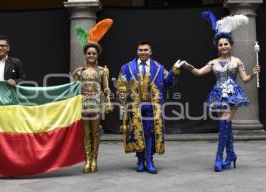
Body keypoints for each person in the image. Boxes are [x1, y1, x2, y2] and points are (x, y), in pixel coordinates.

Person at [184, 11, 261, 172]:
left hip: (233, 94)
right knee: (226, 126)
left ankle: (219, 157)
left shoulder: (237, 61)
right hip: (218, 94)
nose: (223, 46)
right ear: (217, 47)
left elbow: (245, 79)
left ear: (231, 45)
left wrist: (254, 72)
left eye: (226, 44)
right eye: (220, 44)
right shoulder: (213, 62)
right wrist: (187, 65)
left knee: (224, 123)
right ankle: (231, 154)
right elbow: (198, 72)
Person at [116, 41, 184, 174]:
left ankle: (149, 160)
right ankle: (140, 161)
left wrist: (174, 70)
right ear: (137, 51)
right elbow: (121, 85)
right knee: (137, 132)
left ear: (150, 52)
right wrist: (122, 94)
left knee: (149, 132)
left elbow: (168, 83)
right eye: (141, 50)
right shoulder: (127, 67)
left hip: (153, 106)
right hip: (135, 106)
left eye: (146, 50)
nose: (143, 52)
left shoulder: (158, 67)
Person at [72, 18, 113, 173]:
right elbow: (73, 90)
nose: (91, 55)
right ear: (86, 54)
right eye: (89, 53)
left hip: (96, 105)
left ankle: (95, 159)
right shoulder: (78, 72)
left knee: (95, 133)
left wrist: (108, 98)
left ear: (97, 55)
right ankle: (87, 160)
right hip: (82, 106)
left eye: (93, 53)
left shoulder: (103, 71)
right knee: (85, 134)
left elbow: (106, 89)